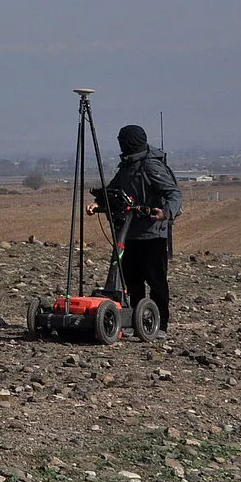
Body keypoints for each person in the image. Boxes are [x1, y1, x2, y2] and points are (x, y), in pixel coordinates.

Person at [87, 123, 182, 337]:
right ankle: (134, 322)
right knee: (131, 281)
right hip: (128, 233)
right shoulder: (127, 166)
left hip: (151, 234)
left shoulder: (150, 166)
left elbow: (174, 194)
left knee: (156, 281)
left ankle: (160, 325)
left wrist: (165, 213)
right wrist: (98, 203)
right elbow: (112, 191)